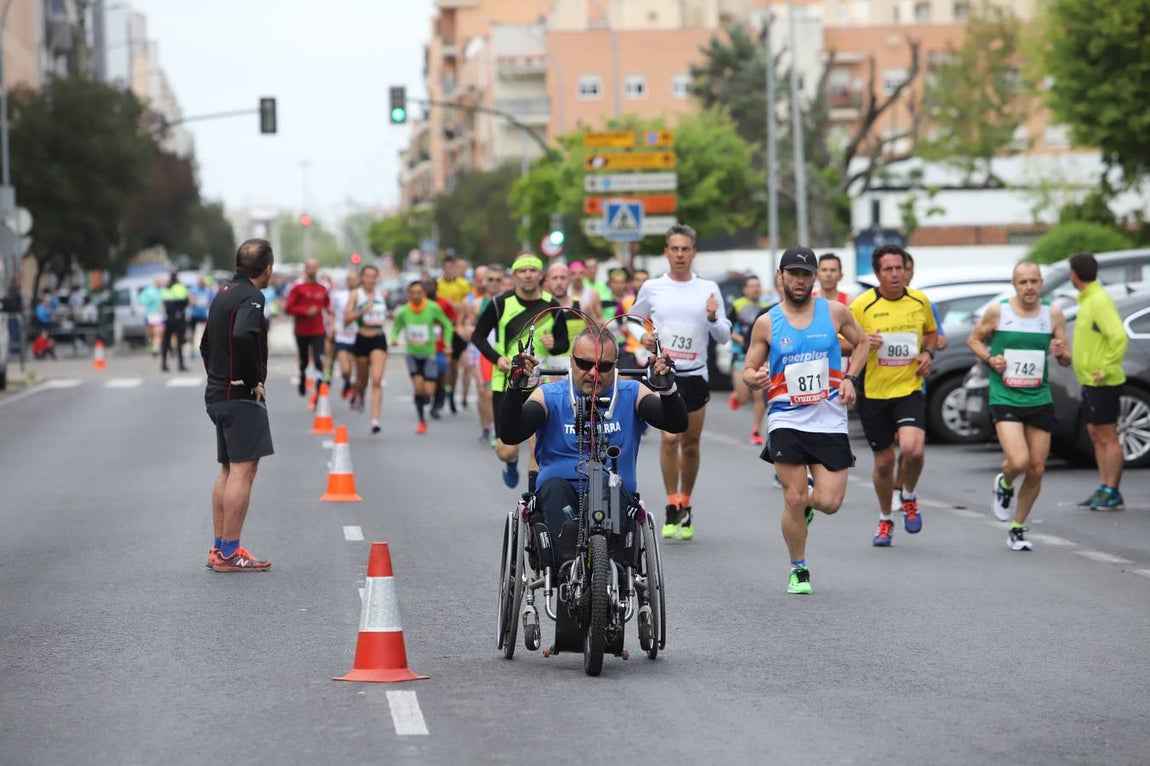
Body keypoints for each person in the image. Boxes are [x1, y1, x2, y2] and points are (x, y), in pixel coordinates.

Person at [498, 327, 688, 576]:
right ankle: (567, 568)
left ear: (616, 366)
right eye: (584, 363)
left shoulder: (631, 393)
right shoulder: (550, 395)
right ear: (571, 362)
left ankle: (611, 572)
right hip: (559, 493)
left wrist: (668, 391)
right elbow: (511, 433)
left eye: (604, 366)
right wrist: (514, 389)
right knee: (554, 489)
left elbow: (675, 424)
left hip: (614, 492)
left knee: (610, 488)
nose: (593, 373)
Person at [742, 246, 869, 593]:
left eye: (806, 274)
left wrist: (850, 379)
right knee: (793, 497)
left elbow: (862, 344)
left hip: (829, 420)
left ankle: (808, 505)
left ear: (814, 278)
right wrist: (754, 378)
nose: (800, 280)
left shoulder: (836, 312)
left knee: (829, 503)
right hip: (786, 419)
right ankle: (798, 568)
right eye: (793, 273)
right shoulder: (767, 322)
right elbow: (748, 369)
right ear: (780, 276)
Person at [630, 223, 732, 541]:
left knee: (690, 445)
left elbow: (725, 335)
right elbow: (632, 321)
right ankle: (671, 503)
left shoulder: (708, 290)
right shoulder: (653, 287)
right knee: (669, 440)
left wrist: (714, 318)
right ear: (666, 252)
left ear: (693, 253)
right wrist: (642, 336)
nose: (679, 254)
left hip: (696, 376)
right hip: (663, 374)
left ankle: (686, 500)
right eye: (674, 249)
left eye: (685, 249)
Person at [967, 261, 1072, 550]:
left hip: (1039, 396)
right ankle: (1005, 483)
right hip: (1005, 394)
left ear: (1041, 284)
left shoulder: (1052, 313)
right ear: (1015, 285)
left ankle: (1017, 527)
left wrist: (1063, 353)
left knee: (1037, 468)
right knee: (1019, 461)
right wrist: (991, 359)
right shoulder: (999, 311)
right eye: (1023, 282)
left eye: (1034, 281)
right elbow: (974, 339)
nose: (1029, 287)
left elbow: (1065, 357)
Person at [848, 244, 938, 547]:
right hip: (874, 393)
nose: (895, 274)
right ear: (877, 274)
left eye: (899, 268)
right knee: (884, 463)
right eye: (888, 269)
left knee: (913, 449)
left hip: (908, 387)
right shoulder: (862, 305)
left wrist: (927, 353)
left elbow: (931, 334)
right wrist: (863, 341)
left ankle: (909, 496)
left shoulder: (919, 300)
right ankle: (885, 518)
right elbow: (841, 342)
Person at [200, 239, 275, 572]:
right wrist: (252, 379)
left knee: (228, 470)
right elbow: (245, 335)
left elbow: (205, 344)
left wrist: (218, 376)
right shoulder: (252, 297)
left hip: (218, 394)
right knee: (243, 471)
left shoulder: (224, 292)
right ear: (268, 268)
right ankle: (230, 553)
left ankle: (219, 548)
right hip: (237, 397)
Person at [471, 253, 570, 489]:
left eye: (532, 270)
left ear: (540, 275)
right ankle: (511, 462)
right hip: (506, 380)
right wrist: (498, 358)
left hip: (541, 382)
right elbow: (478, 336)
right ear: (514, 275)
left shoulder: (553, 305)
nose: (527, 275)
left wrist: (553, 345)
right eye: (522, 271)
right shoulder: (500, 303)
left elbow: (564, 343)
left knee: (537, 446)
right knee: (505, 449)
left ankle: (534, 500)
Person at [1069, 252, 1130, 511]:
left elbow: (1118, 336)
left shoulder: (1099, 300)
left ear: (1074, 275)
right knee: (1096, 434)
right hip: (1090, 382)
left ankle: (1112, 490)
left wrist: (1104, 368)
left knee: (1108, 435)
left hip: (1103, 382)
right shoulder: (1088, 299)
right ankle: (1103, 486)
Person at [392, 280, 454, 433]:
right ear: (409, 294)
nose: (415, 296)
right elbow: (397, 327)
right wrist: (394, 337)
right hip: (412, 355)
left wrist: (447, 343)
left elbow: (447, 324)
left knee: (429, 391)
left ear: (423, 294)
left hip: (429, 354)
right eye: (412, 293)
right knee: (418, 387)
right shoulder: (404, 311)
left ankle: (426, 400)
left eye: (418, 293)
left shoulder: (432, 308)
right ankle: (421, 421)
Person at [727, 275, 775, 445]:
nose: (755, 289)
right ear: (745, 289)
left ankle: (756, 429)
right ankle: (737, 396)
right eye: (752, 286)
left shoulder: (766, 307)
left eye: (758, 285)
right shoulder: (738, 305)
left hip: (760, 358)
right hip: (741, 356)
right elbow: (727, 327)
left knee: (760, 395)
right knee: (743, 397)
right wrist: (740, 339)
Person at [345, 264, 390, 434]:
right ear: (362, 278)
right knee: (362, 381)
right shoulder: (356, 295)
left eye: (373, 276)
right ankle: (360, 393)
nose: (370, 279)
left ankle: (375, 420)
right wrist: (362, 310)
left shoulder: (382, 294)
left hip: (378, 338)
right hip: (362, 338)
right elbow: (346, 320)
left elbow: (387, 312)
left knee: (377, 380)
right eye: (367, 276)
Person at [284, 258, 330, 397]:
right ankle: (303, 377)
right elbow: (288, 308)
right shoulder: (298, 288)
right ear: (306, 269)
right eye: (310, 267)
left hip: (318, 330)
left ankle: (319, 386)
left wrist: (333, 324)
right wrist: (304, 311)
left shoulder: (322, 288)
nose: (313, 270)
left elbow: (328, 306)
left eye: (315, 267)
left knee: (318, 359)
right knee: (304, 360)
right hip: (302, 330)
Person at [437, 254, 471, 414]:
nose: (449, 271)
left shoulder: (463, 285)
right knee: (445, 364)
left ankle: (451, 392)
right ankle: (443, 390)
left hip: (457, 328)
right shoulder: (438, 285)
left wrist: (454, 306)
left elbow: (465, 306)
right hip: (443, 329)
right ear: (443, 268)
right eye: (446, 268)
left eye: (452, 268)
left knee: (456, 365)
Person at [327, 270, 359, 401]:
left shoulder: (362, 295)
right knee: (345, 370)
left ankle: (354, 393)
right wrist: (333, 326)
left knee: (356, 371)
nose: (352, 281)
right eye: (349, 279)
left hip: (357, 336)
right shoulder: (338, 295)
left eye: (354, 279)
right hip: (342, 336)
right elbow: (330, 312)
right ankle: (347, 383)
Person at [160, 272, 190, 372]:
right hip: (179, 318)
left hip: (168, 318)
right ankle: (181, 364)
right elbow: (186, 301)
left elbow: (163, 302)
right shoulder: (180, 287)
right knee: (180, 342)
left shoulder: (166, 288)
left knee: (166, 342)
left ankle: (164, 364)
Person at [187, 276, 213, 360]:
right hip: (194, 314)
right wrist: (196, 301)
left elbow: (210, 302)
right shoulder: (193, 290)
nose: (202, 283)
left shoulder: (207, 291)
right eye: (200, 281)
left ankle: (207, 349)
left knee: (207, 332)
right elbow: (191, 301)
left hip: (203, 314)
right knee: (192, 333)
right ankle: (192, 351)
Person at [139, 277, 164, 355]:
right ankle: (150, 343)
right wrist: (149, 300)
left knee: (158, 332)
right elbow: (141, 300)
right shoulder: (149, 291)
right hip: (150, 314)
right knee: (150, 333)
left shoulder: (162, 291)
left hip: (159, 314)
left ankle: (156, 348)